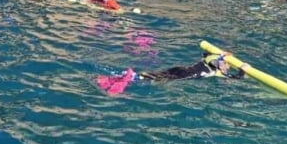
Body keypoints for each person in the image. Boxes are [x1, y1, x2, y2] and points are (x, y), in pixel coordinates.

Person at [96, 51, 239, 95]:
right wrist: (243, 69)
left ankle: (129, 76)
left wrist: (221, 55)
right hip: (184, 75)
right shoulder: (215, 69)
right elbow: (236, 78)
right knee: (159, 79)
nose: (226, 68)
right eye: (226, 65)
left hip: (180, 68)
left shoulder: (207, 59)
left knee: (158, 74)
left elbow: (207, 53)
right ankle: (130, 78)